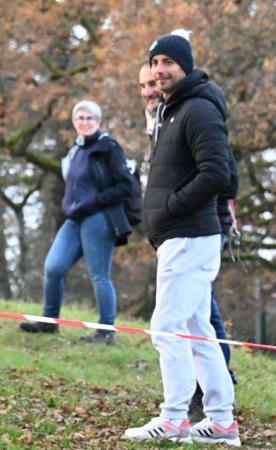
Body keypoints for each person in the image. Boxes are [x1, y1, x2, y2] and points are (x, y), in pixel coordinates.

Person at [124, 34, 240, 446]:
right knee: (197, 330)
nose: (159, 69)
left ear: (185, 66)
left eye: (168, 61)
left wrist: (171, 206)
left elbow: (219, 174)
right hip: (179, 237)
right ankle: (222, 422)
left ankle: (174, 418)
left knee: (167, 328)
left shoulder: (198, 110)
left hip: (190, 235)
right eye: (155, 61)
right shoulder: (172, 110)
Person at [19, 100, 133, 345]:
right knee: (53, 267)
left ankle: (105, 332)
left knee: (99, 275)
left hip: (98, 218)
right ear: (74, 122)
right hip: (73, 220)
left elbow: (126, 185)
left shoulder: (108, 147)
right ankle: (49, 322)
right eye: (80, 118)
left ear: (98, 121)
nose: (85, 122)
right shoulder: (75, 150)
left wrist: (96, 200)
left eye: (90, 118)